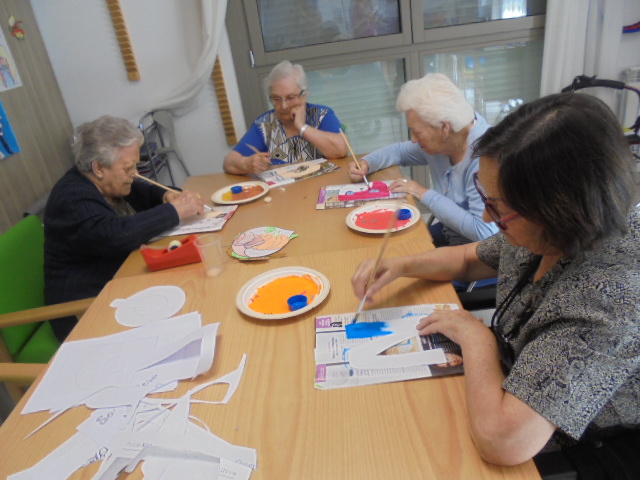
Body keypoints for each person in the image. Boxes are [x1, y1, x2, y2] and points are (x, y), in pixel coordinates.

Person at [351, 93, 639, 469]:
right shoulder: (543, 231)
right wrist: (402, 265)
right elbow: (470, 258)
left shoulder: (607, 297)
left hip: (577, 443)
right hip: (512, 381)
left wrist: (476, 337)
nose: (488, 216)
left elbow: (503, 441)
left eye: (497, 207)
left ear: (557, 210)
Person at [45, 115, 205, 340]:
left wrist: (166, 196)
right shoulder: (72, 197)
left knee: (194, 292)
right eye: (128, 168)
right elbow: (117, 235)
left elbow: (142, 190)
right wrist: (175, 211)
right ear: (99, 167)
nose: (134, 174)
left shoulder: (106, 182)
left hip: (118, 285)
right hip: (84, 307)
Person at [349, 73, 499, 247]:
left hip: (478, 251)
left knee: (399, 255)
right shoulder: (447, 139)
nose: (413, 139)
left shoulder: (486, 157)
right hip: (451, 232)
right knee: (391, 246)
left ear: (444, 127)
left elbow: (484, 233)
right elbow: (400, 151)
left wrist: (421, 192)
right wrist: (366, 163)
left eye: (417, 132)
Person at [223, 60, 348, 175]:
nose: (284, 106)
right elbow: (229, 162)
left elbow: (341, 149)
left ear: (305, 95)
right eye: (277, 99)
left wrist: (302, 127)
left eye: (290, 97)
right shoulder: (265, 124)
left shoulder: (321, 115)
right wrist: (246, 163)